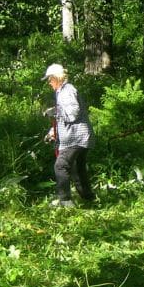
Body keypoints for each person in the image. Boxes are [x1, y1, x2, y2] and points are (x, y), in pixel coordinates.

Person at [43, 63, 96, 208]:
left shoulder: (67, 90)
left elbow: (72, 114)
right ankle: (89, 199)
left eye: (50, 79)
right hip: (81, 137)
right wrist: (52, 132)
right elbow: (63, 119)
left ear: (57, 77)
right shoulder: (62, 91)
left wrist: (55, 111)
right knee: (77, 169)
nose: (49, 82)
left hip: (76, 138)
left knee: (61, 166)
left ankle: (65, 201)